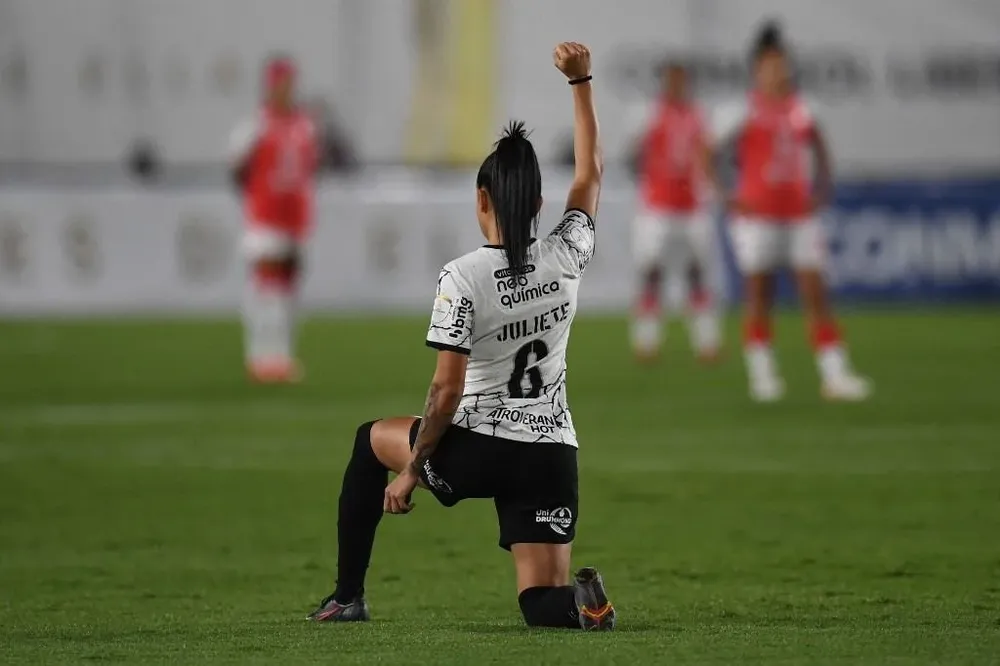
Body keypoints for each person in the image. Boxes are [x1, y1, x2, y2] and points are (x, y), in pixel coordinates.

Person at [308, 42, 616, 631]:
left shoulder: (463, 276)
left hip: (478, 452)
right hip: (553, 455)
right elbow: (592, 170)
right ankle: (588, 603)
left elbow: (446, 391)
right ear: (540, 204)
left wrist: (411, 469)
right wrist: (582, 83)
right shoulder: (567, 253)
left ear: (481, 199)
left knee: (368, 440)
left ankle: (347, 596)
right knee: (539, 605)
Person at [707, 23, 871, 402]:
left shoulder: (802, 108)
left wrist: (823, 189)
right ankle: (763, 376)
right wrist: (727, 196)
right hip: (757, 218)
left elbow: (820, 147)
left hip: (799, 216)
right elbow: (707, 152)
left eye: (782, 66)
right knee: (759, 296)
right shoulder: (742, 110)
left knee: (816, 294)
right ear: (757, 71)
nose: (778, 72)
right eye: (770, 66)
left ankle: (835, 375)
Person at [229, 55, 318, 383]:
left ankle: (281, 356)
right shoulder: (255, 125)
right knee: (265, 287)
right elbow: (237, 170)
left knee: (288, 291)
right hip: (265, 218)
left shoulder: (304, 125)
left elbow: (310, 168)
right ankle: (259, 355)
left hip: (294, 219)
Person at [629, 62, 721, 363]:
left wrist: (708, 187)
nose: (677, 86)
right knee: (651, 272)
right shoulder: (649, 113)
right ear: (664, 83)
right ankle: (647, 341)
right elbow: (634, 153)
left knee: (697, 272)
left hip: (692, 206)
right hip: (657, 206)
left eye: (682, 80)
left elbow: (707, 156)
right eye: (672, 80)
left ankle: (707, 342)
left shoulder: (699, 115)